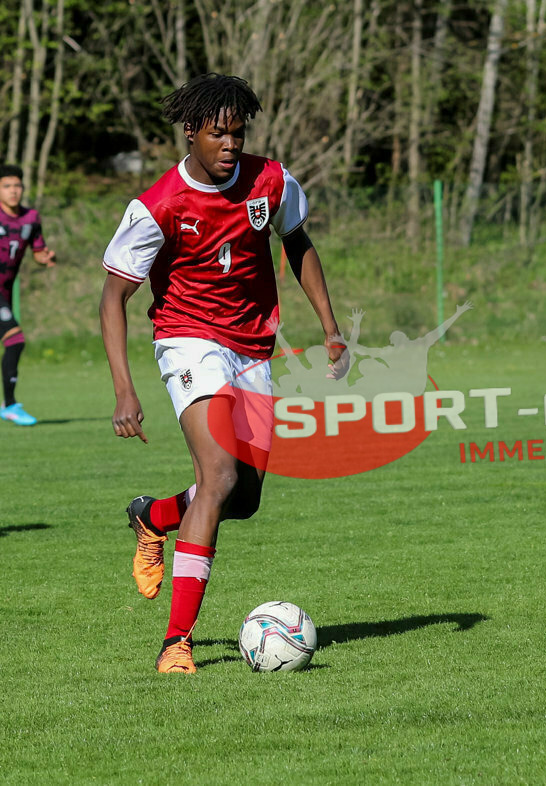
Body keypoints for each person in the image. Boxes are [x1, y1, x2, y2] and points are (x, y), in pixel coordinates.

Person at [99, 74, 342, 674]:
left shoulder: (271, 181)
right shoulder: (158, 205)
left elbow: (297, 241)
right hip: (188, 342)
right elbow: (112, 298)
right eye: (218, 134)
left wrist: (330, 328)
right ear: (191, 134)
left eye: (238, 133)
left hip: (253, 346)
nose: (231, 144)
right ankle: (176, 641)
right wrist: (124, 387)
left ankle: (153, 516)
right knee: (218, 473)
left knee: (244, 497)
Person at [0, 164, 56, 426]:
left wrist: (44, 257)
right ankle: (9, 405)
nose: (13, 191)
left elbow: (37, 250)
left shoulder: (31, 218)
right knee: (15, 340)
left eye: (17, 186)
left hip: (5, 292)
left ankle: (8, 404)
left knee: (13, 342)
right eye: (7, 186)